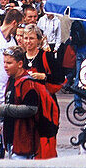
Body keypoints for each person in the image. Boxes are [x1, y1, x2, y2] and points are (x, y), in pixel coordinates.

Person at [20, 26, 61, 159]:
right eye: (25, 38)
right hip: (26, 107)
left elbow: (60, 78)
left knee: (46, 143)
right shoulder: (20, 58)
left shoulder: (46, 56)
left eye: (31, 38)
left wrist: (44, 77)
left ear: (39, 40)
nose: (28, 41)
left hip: (45, 108)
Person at [0, 46, 42, 160]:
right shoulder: (11, 80)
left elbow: (32, 109)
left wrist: (5, 109)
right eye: (4, 62)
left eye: (9, 63)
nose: (5, 66)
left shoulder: (27, 83)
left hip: (23, 142)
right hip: (12, 140)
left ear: (20, 64)